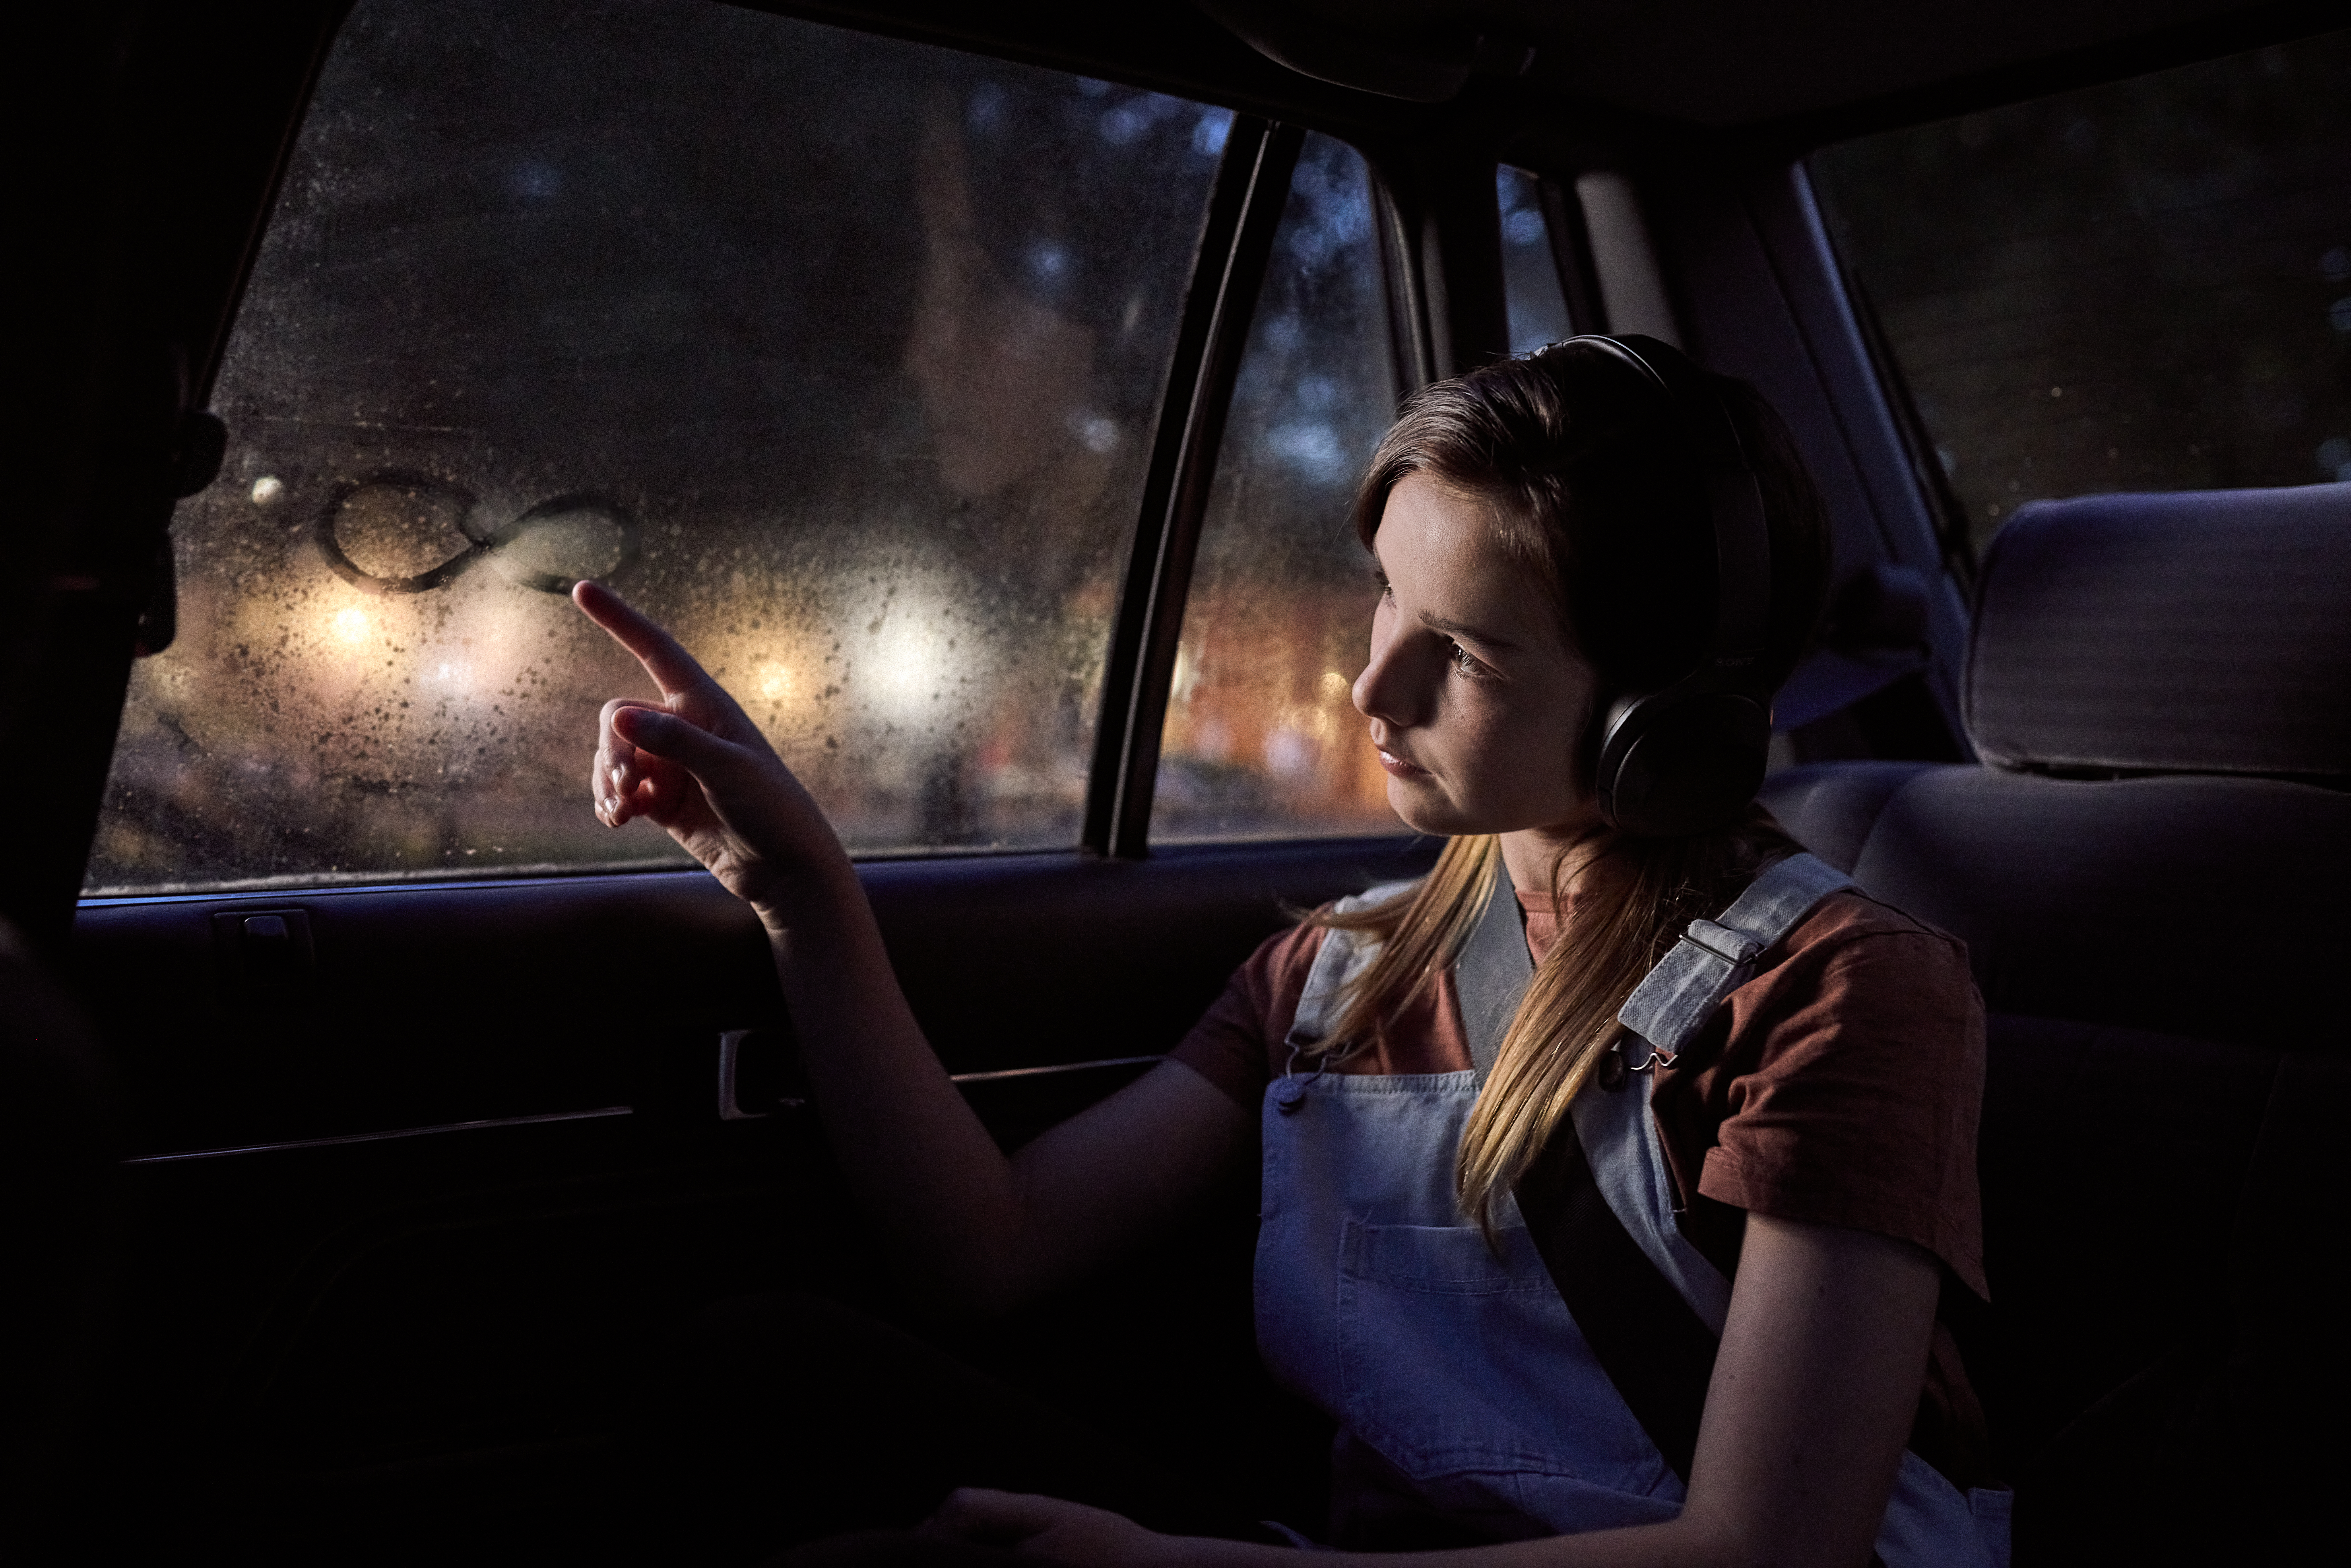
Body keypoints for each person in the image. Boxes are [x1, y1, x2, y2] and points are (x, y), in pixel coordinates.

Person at [574, 337, 2007, 1567]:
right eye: (1387, 597)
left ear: (1664, 722)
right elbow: (988, 1252)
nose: (1372, 682)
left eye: (1471, 654)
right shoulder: (1343, 970)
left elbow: (1767, 1551)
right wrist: (800, 893)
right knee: (757, 1369)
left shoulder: (1834, 989)